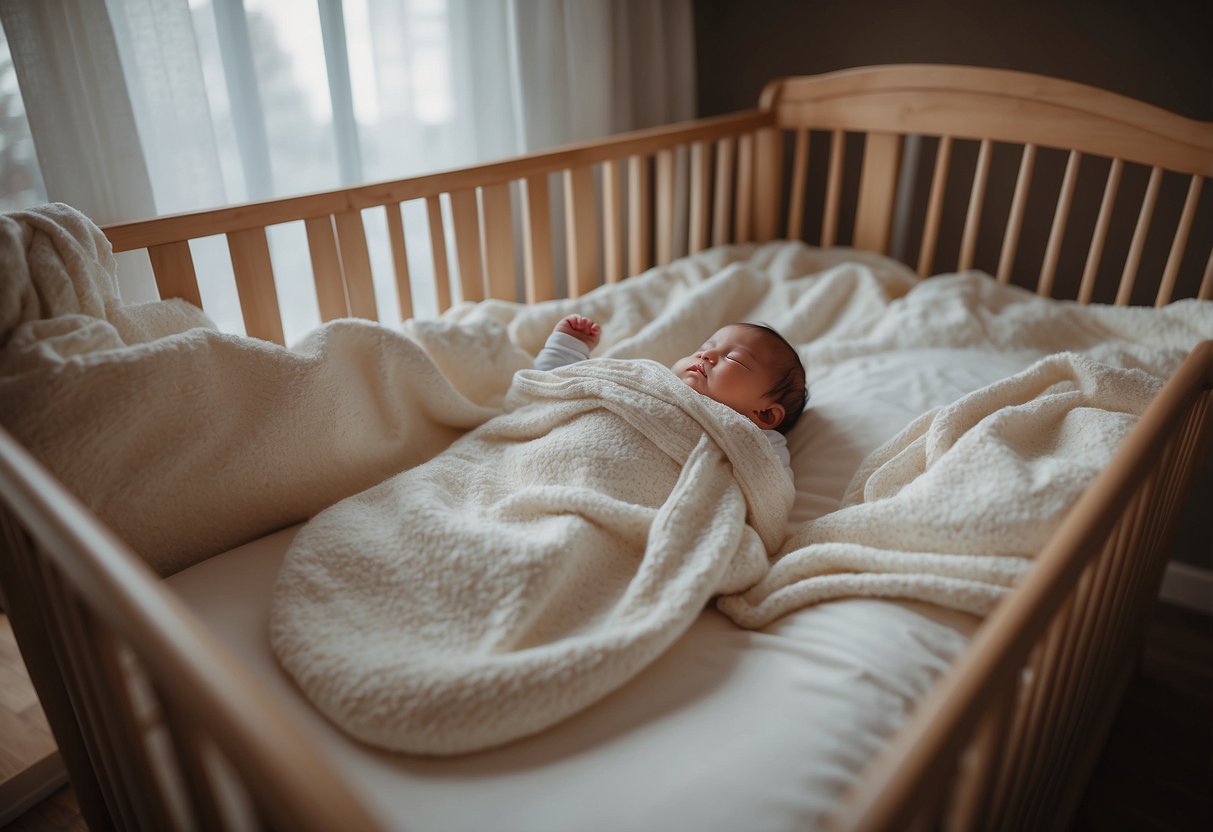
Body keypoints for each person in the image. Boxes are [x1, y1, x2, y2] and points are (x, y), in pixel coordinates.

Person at [534, 314, 807, 474]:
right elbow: (561, 387)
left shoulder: (757, 440)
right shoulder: (647, 380)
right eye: (705, 346)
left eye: (734, 359)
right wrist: (567, 349)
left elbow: (768, 485)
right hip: (570, 455)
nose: (707, 354)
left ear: (766, 414)